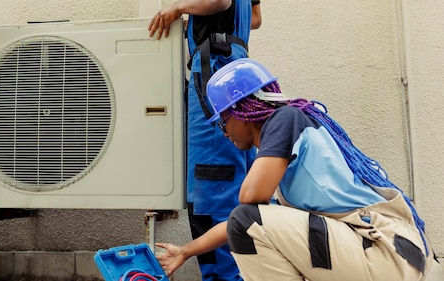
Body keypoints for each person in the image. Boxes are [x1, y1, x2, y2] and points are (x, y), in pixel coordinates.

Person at [156, 58, 434, 281]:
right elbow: (249, 220)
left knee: (248, 220)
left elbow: (247, 204)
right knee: (253, 222)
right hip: (389, 251)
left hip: (382, 252)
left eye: (222, 121)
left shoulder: (284, 119)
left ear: (240, 110)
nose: (223, 132)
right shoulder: (293, 143)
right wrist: (185, 251)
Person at [148, 0, 262, 281]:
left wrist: (178, 5)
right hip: (241, 71)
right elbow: (256, 18)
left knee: (210, 184)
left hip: (214, 71)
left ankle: (224, 278)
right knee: (239, 182)